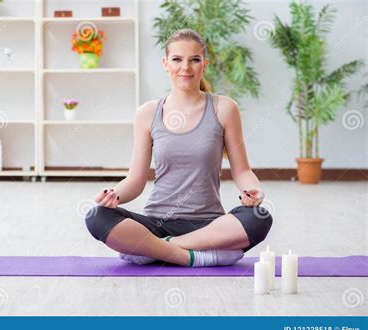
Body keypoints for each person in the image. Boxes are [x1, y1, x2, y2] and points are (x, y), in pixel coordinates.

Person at [85, 28, 272, 267]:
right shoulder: (147, 113)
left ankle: (157, 248)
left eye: (194, 60)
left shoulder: (224, 108)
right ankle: (194, 256)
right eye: (177, 59)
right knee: (96, 215)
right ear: (165, 63)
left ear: (204, 64)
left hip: (209, 226)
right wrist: (114, 196)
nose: (186, 67)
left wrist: (252, 190)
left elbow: (242, 171)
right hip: (156, 223)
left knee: (259, 217)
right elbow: (135, 180)